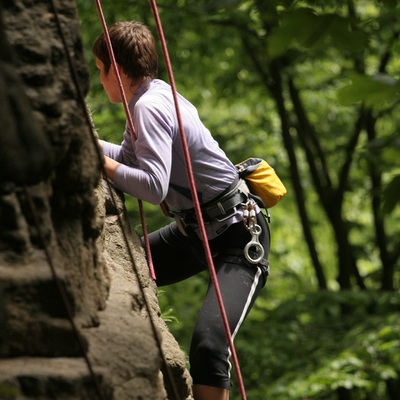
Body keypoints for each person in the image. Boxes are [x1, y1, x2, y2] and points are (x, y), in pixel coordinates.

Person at [92, 20, 270, 400]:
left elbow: (153, 185)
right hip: (196, 231)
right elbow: (127, 159)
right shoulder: (149, 96)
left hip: (238, 236)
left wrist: (98, 162)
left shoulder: (149, 107)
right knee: (124, 266)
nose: (99, 78)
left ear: (117, 70)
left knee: (209, 345)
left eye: (99, 68)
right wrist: (86, 143)